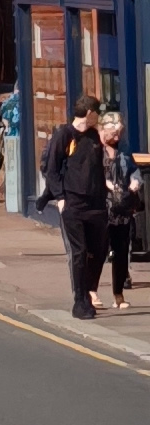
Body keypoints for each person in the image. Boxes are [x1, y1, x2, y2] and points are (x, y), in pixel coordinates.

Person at [54, 98, 111, 319]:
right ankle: (80, 301)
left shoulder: (95, 137)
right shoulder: (65, 135)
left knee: (98, 252)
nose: (99, 116)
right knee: (79, 253)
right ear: (89, 112)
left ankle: (89, 291)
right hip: (73, 203)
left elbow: (98, 170)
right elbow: (51, 167)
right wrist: (60, 197)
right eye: (97, 112)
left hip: (96, 204)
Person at [103, 108, 141, 310]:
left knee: (121, 251)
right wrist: (106, 184)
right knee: (97, 252)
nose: (117, 137)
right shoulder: (94, 150)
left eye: (120, 133)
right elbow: (88, 176)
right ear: (104, 129)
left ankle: (118, 293)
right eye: (114, 133)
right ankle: (89, 292)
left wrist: (135, 182)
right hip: (101, 207)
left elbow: (134, 172)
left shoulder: (124, 151)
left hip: (122, 208)